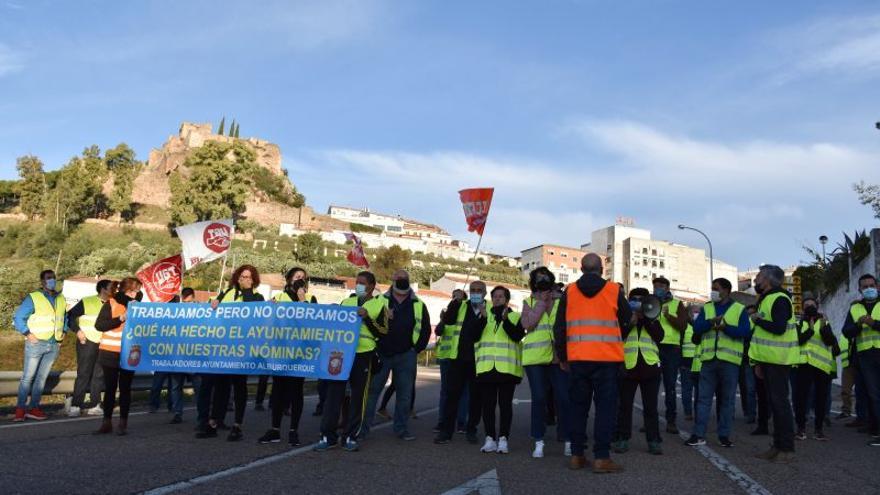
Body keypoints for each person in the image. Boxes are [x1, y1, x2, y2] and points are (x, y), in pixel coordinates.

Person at [554, 253, 631, 473]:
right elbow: (627, 320)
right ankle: (601, 458)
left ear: (581, 268)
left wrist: (563, 356)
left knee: (578, 408)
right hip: (607, 359)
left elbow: (559, 328)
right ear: (602, 268)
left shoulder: (569, 291)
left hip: (578, 358)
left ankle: (577, 456)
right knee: (605, 409)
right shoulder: (614, 290)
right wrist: (617, 335)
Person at [315, 271, 388, 451]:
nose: (358, 286)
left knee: (358, 396)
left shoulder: (381, 304)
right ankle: (328, 435)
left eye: (362, 283)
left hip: (364, 354)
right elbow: (335, 324)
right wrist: (332, 312)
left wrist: (368, 318)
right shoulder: (347, 302)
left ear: (372, 286)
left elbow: (384, 331)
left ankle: (351, 436)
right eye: (357, 282)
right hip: (342, 353)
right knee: (334, 394)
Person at [197, 265, 265, 442]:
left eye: (249, 277)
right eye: (242, 277)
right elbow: (212, 310)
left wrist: (247, 290)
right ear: (237, 277)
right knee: (221, 386)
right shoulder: (226, 293)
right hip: (223, 348)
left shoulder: (258, 297)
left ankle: (237, 425)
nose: (245, 280)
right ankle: (214, 422)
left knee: (239, 387)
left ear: (254, 280)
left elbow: (254, 314)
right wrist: (214, 304)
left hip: (242, 349)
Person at [362, 269, 430, 441]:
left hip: (407, 355)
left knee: (405, 394)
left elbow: (425, 329)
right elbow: (365, 318)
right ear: (392, 280)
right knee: (372, 392)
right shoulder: (380, 300)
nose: (401, 280)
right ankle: (363, 429)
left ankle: (401, 429)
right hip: (382, 353)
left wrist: (417, 349)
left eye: (404, 278)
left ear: (408, 280)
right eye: (397, 277)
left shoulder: (419, 304)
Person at [685, 278, 750, 448]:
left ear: (727, 290)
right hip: (708, 361)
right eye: (712, 288)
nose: (713, 291)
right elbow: (697, 328)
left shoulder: (739, 309)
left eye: (716, 288)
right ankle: (698, 434)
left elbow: (745, 331)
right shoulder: (707, 307)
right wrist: (711, 322)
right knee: (703, 399)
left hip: (730, 362)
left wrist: (725, 328)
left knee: (727, 401)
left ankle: (724, 436)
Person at [749, 265, 799, 462]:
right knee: (776, 404)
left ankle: (786, 448)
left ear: (768, 280)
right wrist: (759, 362)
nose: (756, 280)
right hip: (769, 360)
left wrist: (757, 320)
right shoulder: (768, 299)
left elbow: (778, 328)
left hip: (779, 359)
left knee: (780, 404)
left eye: (759, 276)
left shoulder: (779, 298)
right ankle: (777, 446)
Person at [521, 267, 571, 458]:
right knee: (539, 398)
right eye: (538, 278)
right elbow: (527, 324)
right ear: (533, 283)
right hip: (535, 359)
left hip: (558, 358)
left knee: (564, 398)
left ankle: (567, 439)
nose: (542, 281)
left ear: (551, 281)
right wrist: (541, 303)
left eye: (545, 278)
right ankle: (538, 440)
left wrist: (564, 355)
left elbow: (567, 328)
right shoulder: (529, 301)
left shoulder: (562, 302)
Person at [257, 275, 313, 446]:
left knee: (296, 392)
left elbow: (312, 322)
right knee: (278, 391)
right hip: (280, 352)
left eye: (301, 277)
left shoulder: (311, 299)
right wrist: (270, 308)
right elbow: (266, 318)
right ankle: (274, 430)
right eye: (295, 276)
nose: (298, 279)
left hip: (299, 354)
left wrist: (302, 299)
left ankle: (293, 431)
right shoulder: (279, 297)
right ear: (289, 280)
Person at [434, 282, 488, 445]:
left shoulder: (490, 308)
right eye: (473, 290)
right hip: (458, 358)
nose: (476, 293)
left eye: (479, 291)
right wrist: (455, 301)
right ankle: (446, 432)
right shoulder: (461, 305)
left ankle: (471, 430)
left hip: (479, 360)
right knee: (452, 396)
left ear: (485, 293)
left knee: (476, 398)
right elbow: (448, 320)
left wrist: (485, 315)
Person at [472, 286, 524, 454]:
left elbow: (517, 336)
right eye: (495, 296)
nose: (497, 299)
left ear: (507, 300)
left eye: (501, 296)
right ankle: (489, 438)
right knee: (487, 405)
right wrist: (482, 319)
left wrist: (505, 320)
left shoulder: (515, 316)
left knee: (505, 405)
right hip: (487, 368)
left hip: (507, 369)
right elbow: (473, 336)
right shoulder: (483, 316)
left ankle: (503, 439)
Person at [612, 288, 663, 455]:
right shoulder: (623, 316)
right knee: (624, 406)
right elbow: (617, 336)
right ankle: (623, 439)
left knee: (651, 408)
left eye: (642, 299)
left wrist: (647, 319)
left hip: (650, 366)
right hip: (628, 366)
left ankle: (654, 441)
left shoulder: (654, 314)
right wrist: (630, 322)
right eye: (634, 299)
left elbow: (659, 336)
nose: (638, 302)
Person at [12, 269, 67, 422]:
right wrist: (28, 334)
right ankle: (20, 410)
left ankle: (34, 408)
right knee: (28, 378)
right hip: (36, 343)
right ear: (42, 281)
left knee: (41, 378)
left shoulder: (61, 298)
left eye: (54, 278)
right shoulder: (34, 297)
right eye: (49, 278)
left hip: (53, 344)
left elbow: (64, 318)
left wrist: (63, 335)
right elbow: (18, 317)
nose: (52, 280)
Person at [94, 277, 141, 435]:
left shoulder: (139, 307)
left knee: (126, 389)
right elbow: (99, 325)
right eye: (136, 290)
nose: (139, 293)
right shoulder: (111, 303)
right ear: (128, 290)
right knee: (110, 389)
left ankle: (123, 424)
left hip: (129, 353)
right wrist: (119, 319)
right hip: (110, 353)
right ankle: (106, 423)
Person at [841, 274, 880, 447]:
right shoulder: (855, 308)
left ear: (877, 286)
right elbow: (846, 331)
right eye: (865, 287)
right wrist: (858, 325)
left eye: (871, 285)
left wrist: (874, 323)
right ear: (860, 290)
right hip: (865, 356)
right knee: (872, 394)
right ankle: (875, 428)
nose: (869, 289)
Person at [793, 295, 838, 441]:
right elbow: (797, 341)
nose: (810, 307)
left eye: (812, 304)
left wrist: (824, 328)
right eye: (807, 305)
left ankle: (819, 430)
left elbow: (832, 342)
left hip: (821, 365)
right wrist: (810, 330)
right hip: (803, 365)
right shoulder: (799, 323)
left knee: (821, 398)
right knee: (801, 398)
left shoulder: (824, 322)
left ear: (817, 306)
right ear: (803, 308)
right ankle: (801, 428)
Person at [66, 279, 113, 417]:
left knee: (99, 375)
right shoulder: (87, 301)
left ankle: (95, 405)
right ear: (103, 289)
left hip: (105, 343)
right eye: (111, 287)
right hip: (87, 341)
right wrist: (78, 331)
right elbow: (70, 317)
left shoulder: (113, 304)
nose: (114, 290)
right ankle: (76, 405)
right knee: (84, 373)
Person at [653, 276, 689, 434]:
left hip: (671, 350)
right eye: (655, 286)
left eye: (661, 286)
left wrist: (669, 316)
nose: (658, 288)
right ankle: (650, 419)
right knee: (651, 386)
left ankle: (671, 421)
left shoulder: (677, 304)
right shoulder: (651, 303)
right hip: (653, 347)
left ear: (667, 288)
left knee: (670, 386)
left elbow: (683, 325)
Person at [433, 289, 470, 434]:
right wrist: (442, 319)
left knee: (464, 392)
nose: (455, 298)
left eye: (458, 297)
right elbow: (438, 331)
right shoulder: (448, 312)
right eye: (453, 296)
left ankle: (461, 423)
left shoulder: (466, 314)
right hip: (446, 357)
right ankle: (442, 422)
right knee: (446, 392)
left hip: (460, 358)